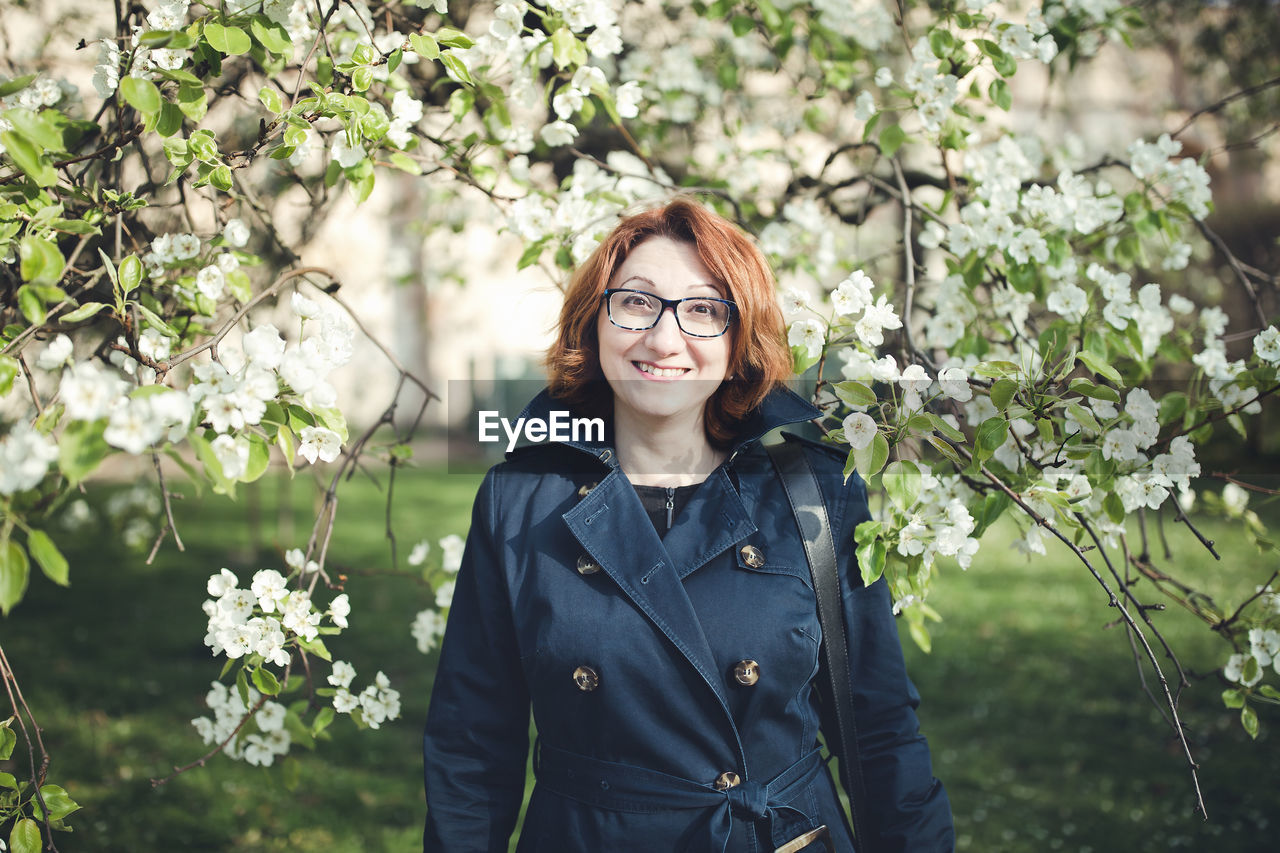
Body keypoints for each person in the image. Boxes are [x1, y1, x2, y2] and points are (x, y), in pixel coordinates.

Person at [422, 198, 954, 852]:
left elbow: (878, 727)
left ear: (737, 345)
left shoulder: (813, 489)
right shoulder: (521, 497)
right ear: (595, 325)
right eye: (638, 302)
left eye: (703, 309)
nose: (664, 338)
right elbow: (472, 740)